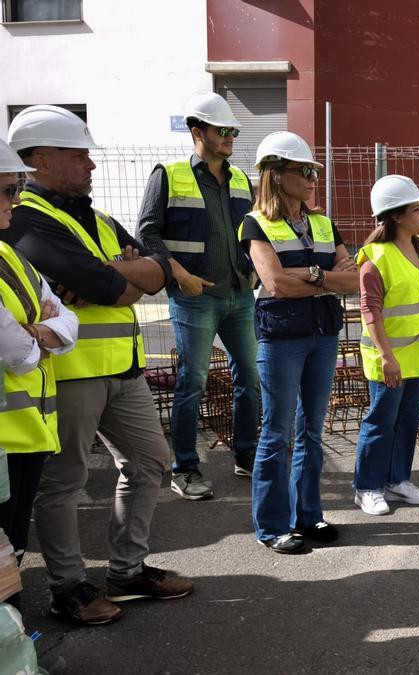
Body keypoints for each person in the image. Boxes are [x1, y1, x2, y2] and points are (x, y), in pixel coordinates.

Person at [4, 105, 193, 625]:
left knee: (151, 461)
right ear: (40, 160)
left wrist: (116, 275)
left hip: (124, 369)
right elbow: (112, 286)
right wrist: (117, 277)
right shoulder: (26, 218)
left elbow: (152, 273)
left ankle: (127, 572)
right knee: (64, 483)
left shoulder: (99, 219)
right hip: (71, 374)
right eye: (78, 154)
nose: (91, 164)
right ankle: (68, 588)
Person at [240, 131, 359, 553]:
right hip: (282, 338)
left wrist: (312, 276)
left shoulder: (323, 222)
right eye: (304, 171)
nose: (312, 179)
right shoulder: (255, 224)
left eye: (313, 171)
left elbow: (354, 281)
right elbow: (275, 284)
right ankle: (273, 526)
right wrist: (327, 279)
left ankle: (308, 516)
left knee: (310, 429)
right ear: (275, 174)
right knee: (277, 433)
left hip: (322, 335)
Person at [136, 92, 259, 500]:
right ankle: (185, 467)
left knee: (250, 377)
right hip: (194, 297)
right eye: (222, 130)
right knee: (193, 381)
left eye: (232, 131)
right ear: (197, 131)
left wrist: (255, 269)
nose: (229, 137)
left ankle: (246, 454)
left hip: (239, 294)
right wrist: (179, 275)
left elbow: (253, 231)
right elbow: (147, 232)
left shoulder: (240, 179)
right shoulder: (169, 175)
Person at [0, 139, 78, 614]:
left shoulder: (9, 255)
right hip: (8, 439)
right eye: (9, 189)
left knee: (12, 550)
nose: (15, 200)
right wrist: (40, 334)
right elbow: (18, 354)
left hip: (27, 435)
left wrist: (38, 332)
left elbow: (67, 320)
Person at [353, 175, 419, 514]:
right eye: (416, 210)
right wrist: (386, 356)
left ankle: (397, 480)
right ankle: (367, 487)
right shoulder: (375, 258)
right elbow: (370, 310)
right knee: (381, 422)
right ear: (396, 216)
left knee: (408, 420)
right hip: (391, 359)